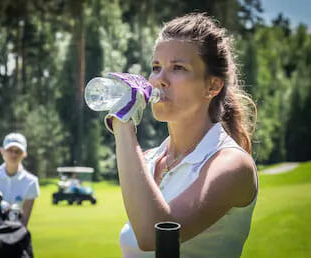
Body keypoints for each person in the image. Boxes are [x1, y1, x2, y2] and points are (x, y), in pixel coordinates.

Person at [104, 13, 258, 258]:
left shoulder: (232, 164)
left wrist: (124, 125)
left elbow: (153, 235)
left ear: (212, 86)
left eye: (178, 68)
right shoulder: (147, 159)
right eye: (156, 67)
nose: (159, 80)